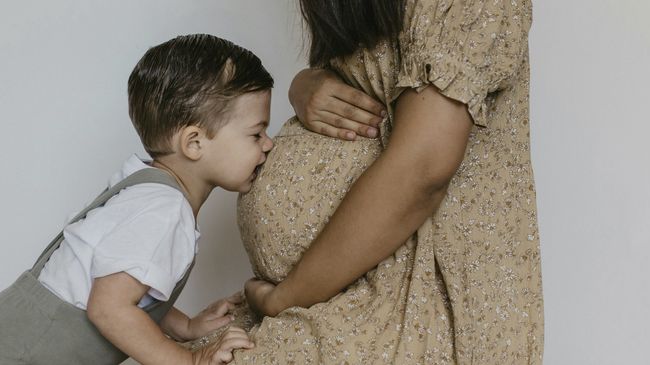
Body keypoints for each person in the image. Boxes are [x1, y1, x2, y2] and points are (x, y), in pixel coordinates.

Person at [190, 0, 543, 363]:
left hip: (409, 300)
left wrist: (286, 298)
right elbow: (368, 82)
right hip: (332, 294)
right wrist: (304, 84)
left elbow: (423, 169)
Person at [0, 33, 275, 365]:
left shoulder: (144, 190)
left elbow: (126, 287)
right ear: (194, 143)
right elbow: (109, 308)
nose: (268, 144)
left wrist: (185, 326)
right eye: (256, 133)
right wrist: (190, 360)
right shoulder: (164, 210)